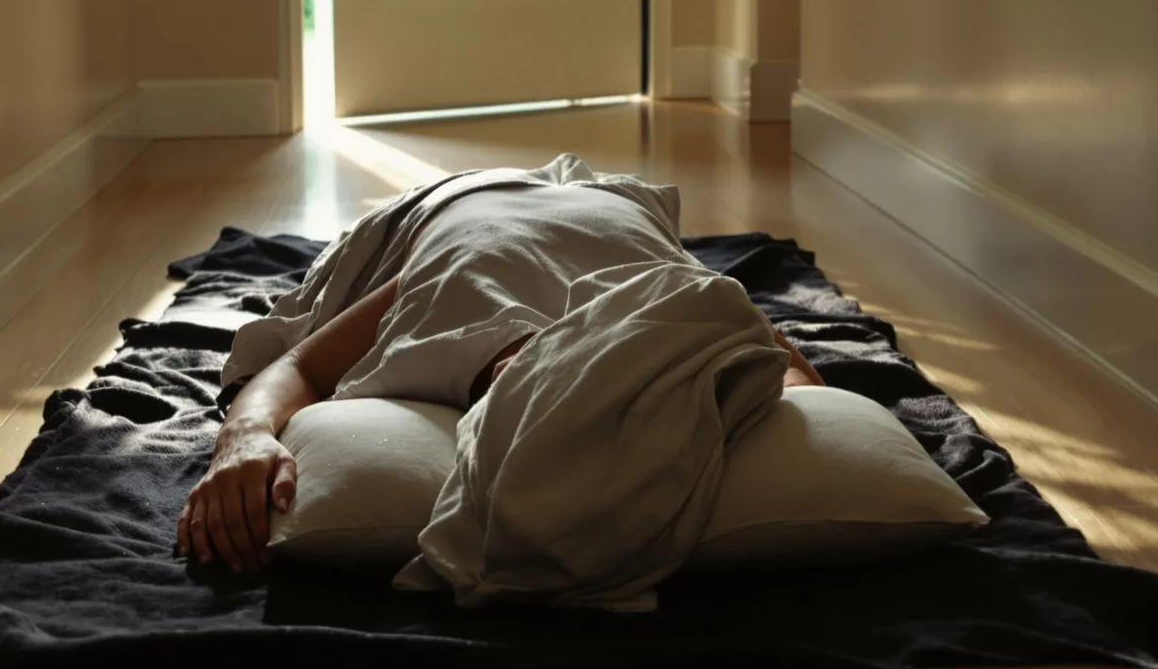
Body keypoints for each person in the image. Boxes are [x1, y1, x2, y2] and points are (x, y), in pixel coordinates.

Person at [175, 183, 824, 574]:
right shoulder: (454, 287)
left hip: (612, 212)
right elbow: (297, 364)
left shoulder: (677, 302)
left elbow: (790, 373)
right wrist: (245, 434)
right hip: (462, 204)